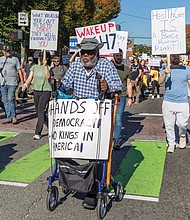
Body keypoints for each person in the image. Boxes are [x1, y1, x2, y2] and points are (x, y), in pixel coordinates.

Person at [59, 38, 123, 209]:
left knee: (94, 153)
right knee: (63, 146)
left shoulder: (106, 65)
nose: (85, 55)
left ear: (97, 53)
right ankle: (73, 177)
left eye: (89, 52)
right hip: (77, 115)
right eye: (83, 52)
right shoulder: (75, 66)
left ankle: (92, 190)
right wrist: (58, 84)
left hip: (98, 115)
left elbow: (119, 88)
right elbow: (64, 87)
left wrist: (107, 86)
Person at [158, 54, 190, 153]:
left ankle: (182, 136)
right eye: (173, 56)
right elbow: (159, 82)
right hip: (168, 101)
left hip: (182, 101)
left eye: (177, 56)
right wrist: (165, 73)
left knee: (182, 124)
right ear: (170, 58)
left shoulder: (186, 69)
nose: (176, 57)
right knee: (169, 125)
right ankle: (171, 143)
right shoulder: (165, 69)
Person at [22, 52, 52, 140]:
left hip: (46, 91)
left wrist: (46, 66)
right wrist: (25, 85)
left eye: (43, 57)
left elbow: (48, 77)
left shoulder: (50, 68)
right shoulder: (34, 67)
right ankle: (51, 127)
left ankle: (37, 132)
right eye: (40, 57)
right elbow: (29, 78)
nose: (41, 58)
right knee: (39, 112)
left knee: (41, 110)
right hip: (36, 90)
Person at [112, 49, 132, 149]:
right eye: (117, 55)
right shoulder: (109, 67)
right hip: (109, 96)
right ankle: (108, 137)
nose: (118, 57)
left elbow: (128, 84)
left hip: (122, 95)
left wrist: (130, 97)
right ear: (113, 56)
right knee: (109, 117)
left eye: (120, 55)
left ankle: (117, 139)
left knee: (118, 117)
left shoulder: (127, 69)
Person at [0, 45, 24, 124]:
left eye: (9, 51)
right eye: (6, 51)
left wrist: (22, 83)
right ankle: (8, 117)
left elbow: (19, 71)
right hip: (3, 82)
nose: (8, 52)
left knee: (10, 99)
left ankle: (13, 117)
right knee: (5, 100)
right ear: (3, 51)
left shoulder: (15, 59)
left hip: (12, 82)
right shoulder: (0, 59)